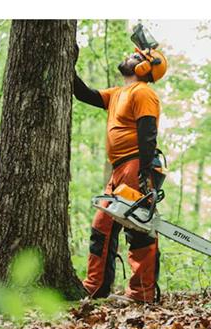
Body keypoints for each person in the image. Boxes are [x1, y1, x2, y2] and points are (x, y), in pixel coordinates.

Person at [73, 45, 168, 303]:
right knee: (101, 227)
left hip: (136, 164)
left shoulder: (143, 92)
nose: (129, 56)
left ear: (145, 67)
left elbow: (148, 132)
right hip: (118, 170)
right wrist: (69, 65)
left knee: (138, 229)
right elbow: (85, 95)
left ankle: (142, 293)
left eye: (137, 57)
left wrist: (144, 174)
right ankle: (96, 286)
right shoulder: (117, 93)